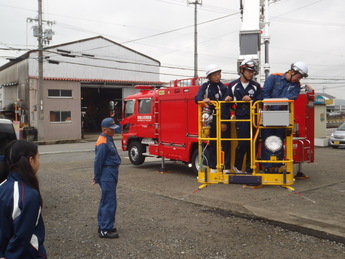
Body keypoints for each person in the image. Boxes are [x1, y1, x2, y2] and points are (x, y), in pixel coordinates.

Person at [261, 61, 309, 179]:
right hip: (268, 115)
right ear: (292, 72)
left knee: (279, 141)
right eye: (298, 76)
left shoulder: (296, 86)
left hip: (282, 117)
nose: (298, 79)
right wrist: (274, 105)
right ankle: (266, 167)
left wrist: (275, 105)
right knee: (267, 140)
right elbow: (265, 93)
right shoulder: (273, 78)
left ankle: (277, 166)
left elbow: (292, 97)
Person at [0, 140, 47, 258]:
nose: (39, 162)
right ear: (31, 160)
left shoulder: (3, 186)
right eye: (38, 157)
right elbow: (22, 237)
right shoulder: (29, 195)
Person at [194, 64, 232, 173]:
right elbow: (197, 98)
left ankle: (227, 166)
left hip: (223, 117)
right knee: (213, 143)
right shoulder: (205, 87)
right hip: (212, 118)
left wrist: (224, 121)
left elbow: (226, 104)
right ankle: (213, 166)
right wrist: (203, 99)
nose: (218, 76)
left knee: (226, 142)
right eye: (215, 75)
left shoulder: (223, 87)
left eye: (219, 74)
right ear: (209, 76)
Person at [228, 59, 262, 174]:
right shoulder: (233, 85)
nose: (251, 74)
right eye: (248, 71)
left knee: (253, 143)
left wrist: (251, 99)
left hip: (254, 117)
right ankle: (237, 166)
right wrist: (228, 99)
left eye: (252, 72)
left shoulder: (256, 86)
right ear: (242, 70)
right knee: (243, 143)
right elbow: (227, 97)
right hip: (241, 117)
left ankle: (249, 168)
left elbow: (261, 99)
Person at [92, 117, 121, 238]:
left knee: (107, 200)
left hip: (110, 172)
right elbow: (98, 161)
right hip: (107, 173)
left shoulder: (108, 139)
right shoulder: (103, 141)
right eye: (112, 129)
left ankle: (105, 225)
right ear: (105, 129)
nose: (114, 131)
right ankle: (105, 229)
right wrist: (97, 176)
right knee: (109, 201)